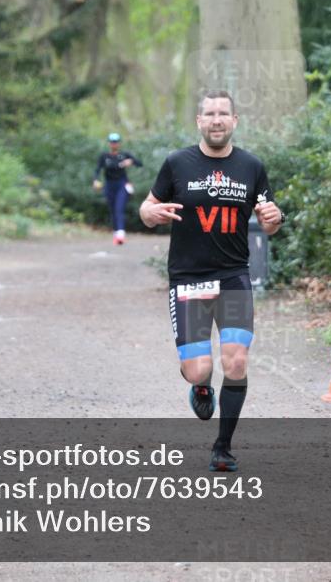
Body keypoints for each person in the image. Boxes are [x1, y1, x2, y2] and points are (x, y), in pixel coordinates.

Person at [140, 90, 284, 472]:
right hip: (188, 279)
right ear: (199, 121)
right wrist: (152, 214)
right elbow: (146, 208)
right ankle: (200, 386)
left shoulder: (252, 166)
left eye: (224, 113)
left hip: (234, 277)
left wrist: (273, 218)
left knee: (235, 361)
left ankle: (223, 447)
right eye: (210, 114)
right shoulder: (176, 164)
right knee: (199, 368)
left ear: (235, 121)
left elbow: (269, 220)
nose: (217, 119)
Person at [93, 132, 142, 245]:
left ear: (119, 143)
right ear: (109, 143)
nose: (114, 144)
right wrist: (95, 180)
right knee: (112, 209)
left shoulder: (124, 155)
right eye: (112, 142)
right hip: (109, 185)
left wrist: (131, 161)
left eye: (116, 142)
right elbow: (97, 170)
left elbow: (139, 163)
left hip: (122, 185)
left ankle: (121, 235)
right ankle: (116, 234)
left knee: (119, 208)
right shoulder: (104, 156)